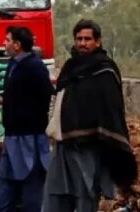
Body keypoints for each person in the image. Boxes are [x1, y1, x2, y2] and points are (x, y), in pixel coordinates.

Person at [44, 19, 137, 212]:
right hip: (63, 144)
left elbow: (111, 109)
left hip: (89, 146)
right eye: (79, 39)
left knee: (85, 194)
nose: (82, 43)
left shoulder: (104, 70)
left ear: (98, 42)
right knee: (56, 192)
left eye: (87, 39)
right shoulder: (71, 67)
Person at [0, 26, 53, 212]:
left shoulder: (35, 67)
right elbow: (19, 93)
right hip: (12, 136)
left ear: (17, 45)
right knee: (6, 186)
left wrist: (25, 114)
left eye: (7, 40)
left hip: (29, 138)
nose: (4, 43)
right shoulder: (13, 64)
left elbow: (46, 95)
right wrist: (5, 100)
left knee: (31, 186)